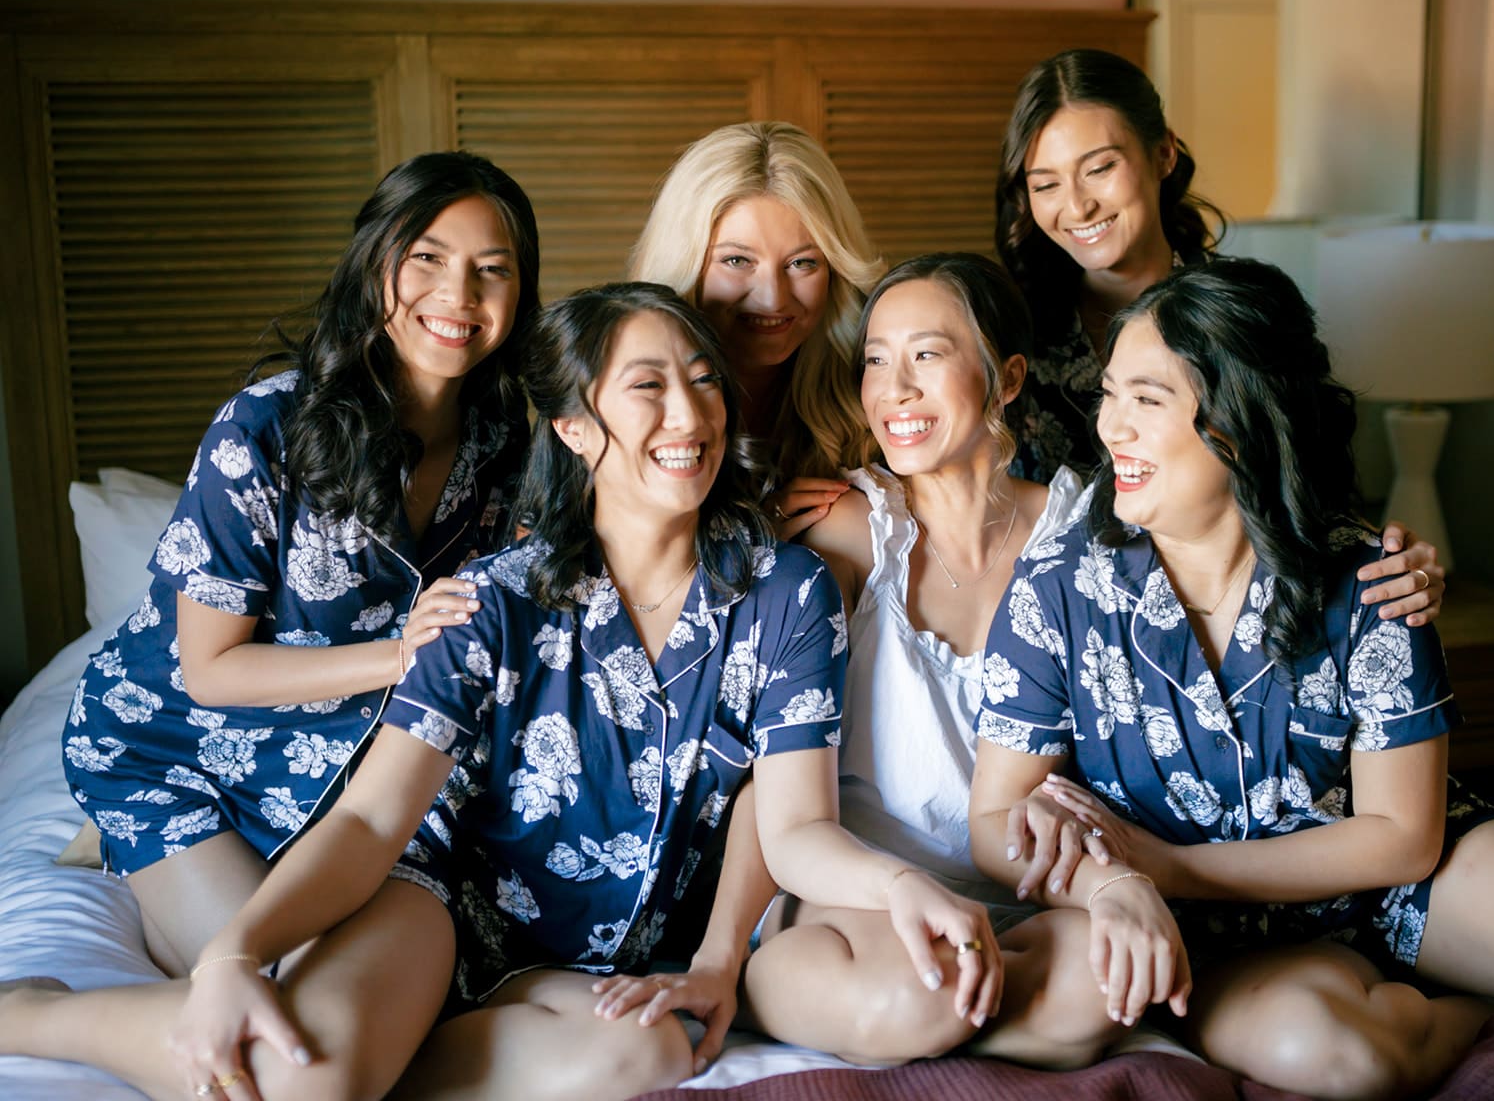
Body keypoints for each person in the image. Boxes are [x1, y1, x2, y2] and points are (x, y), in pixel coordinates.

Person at [2, 284, 1001, 1101]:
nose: (689, 416)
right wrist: (234, 955)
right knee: (290, 1079)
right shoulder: (491, 600)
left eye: (704, 383)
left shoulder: (784, 590)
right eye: (646, 386)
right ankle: (40, 1012)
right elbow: (367, 823)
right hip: (450, 917)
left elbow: (792, 827)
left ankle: (377, 1062)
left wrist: (899, 886)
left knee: (646, 1055)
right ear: (572, 427)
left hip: (623, 956)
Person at [969, 258, 1494, 1099]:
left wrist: (1168, 865)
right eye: (1110, 395)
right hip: (1205, 934)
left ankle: (1473, 972)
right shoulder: (1060, 582)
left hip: (1392, 881)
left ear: (1238, 423)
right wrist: (1127, 882)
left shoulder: (1369, 578)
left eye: (1147, 401)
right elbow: (993, 820)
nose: (1112, 428)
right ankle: (1472, 1005)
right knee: (1341, 1058)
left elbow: (1402, 837)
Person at [601, 254, 1183, 1069]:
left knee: (1114, 984)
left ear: (1007, 377)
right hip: (849, 905)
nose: (893, 389)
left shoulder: (1090, 532)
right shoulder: (845, 530)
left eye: (928, 355)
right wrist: (718, 956)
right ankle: (857, 999)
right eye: (876, 359)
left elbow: (1230, 555)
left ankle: (946, 1020)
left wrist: (1385, 559)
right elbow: (759, 746)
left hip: (1022, 897)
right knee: (926, 989)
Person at [60, 150, 540, 977]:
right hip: (177, 748)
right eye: (427, 258)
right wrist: (403, 658)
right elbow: (209, 670)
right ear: (374, 264)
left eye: (491, 271)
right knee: (271, 993)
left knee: (378, 994)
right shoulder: (266, 428)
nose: (459, 297)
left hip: (349, 767)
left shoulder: (507, 451)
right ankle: (51, 995)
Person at [994, 48, 1443, 625]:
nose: (1076, 205)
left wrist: (1401, 569)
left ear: (1163, 153)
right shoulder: (1009, 338)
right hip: (1060, 637)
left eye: (1099, 168)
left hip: (1241, 628)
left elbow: (1312, 492)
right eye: (1045, 184)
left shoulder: (1245, 319)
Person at [629, 120, 883, 539]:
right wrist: (746, 539)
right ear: (685, 264)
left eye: (803, 263)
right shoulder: (613, 391)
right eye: (737, 261)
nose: (773, 299)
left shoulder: (872, 387)